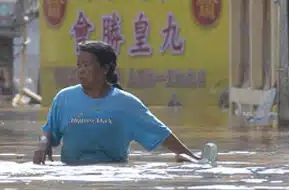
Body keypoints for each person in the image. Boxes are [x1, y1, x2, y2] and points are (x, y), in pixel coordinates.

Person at [32, 41, 199, 166]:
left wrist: (195, 160)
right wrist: (43, 144)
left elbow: (161, 134)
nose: (80, 70)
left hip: (112, 175)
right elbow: (48, 131)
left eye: (86, 65)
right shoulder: (64, 98)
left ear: (105, 69)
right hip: (70, 175)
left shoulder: (126, 104)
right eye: (78, 65)